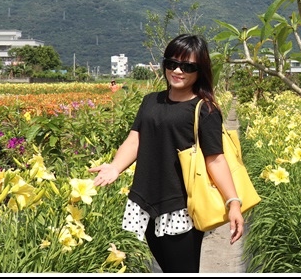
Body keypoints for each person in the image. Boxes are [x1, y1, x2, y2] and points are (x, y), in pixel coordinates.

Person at [89, 34, 244, 273]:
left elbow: (216, 159)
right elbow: (135, 140)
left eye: (187, 66)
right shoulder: (151, 101)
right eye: (171, 63)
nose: (177, 70)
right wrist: (115, 167)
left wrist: (233, 202)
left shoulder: (205, 109)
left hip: (181, 205)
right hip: (146, 200)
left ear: (199, 70)